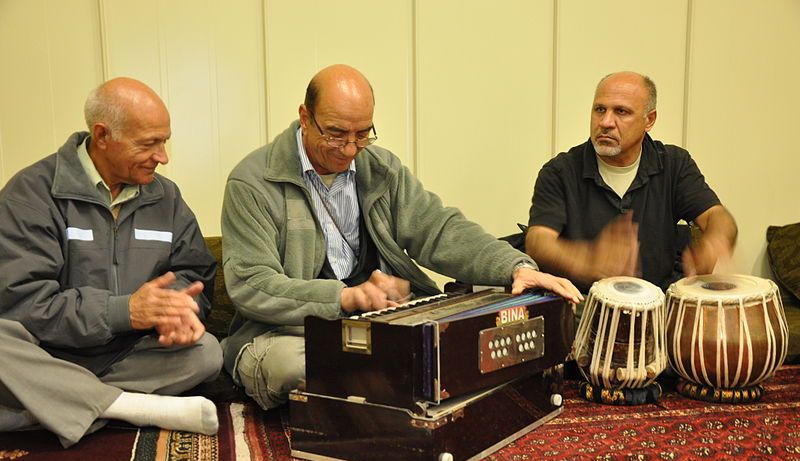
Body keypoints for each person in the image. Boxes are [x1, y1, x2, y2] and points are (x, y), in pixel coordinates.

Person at [221, 64, 583, 411]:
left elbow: (438, 228)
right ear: (304, 116)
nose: (349, 149)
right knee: (292, 366)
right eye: (335, 133)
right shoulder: (252, 182)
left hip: (380, 323)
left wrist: (513, 266)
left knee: (470, 335)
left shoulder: (380, 167)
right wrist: (345, 297)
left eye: (362, 134)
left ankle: (378, 378)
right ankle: (389, 378)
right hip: (288, 332)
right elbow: (252, 284)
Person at [0, 78, 222, 447]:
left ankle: (45, 407)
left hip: (128, 357)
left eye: (164, 141)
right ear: (102, 135)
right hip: (46, 353)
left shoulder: (165, 197)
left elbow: (194, 272)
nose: (163, 157)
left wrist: (180, 309)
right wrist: (124, 311)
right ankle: (132, 408)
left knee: (207, 353)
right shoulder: (31, 193)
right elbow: (23, 304)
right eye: (149, 143)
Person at [525, 71, 737, 293]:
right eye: (600, 110)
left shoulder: (674, 164)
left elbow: (717, 217)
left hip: (659, 307)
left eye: (621, 112)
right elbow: (539, 242)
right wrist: (589, 259)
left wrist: (715, 242)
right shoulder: (559, 171)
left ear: (650, 120)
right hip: (584, 307)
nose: (606, 122)